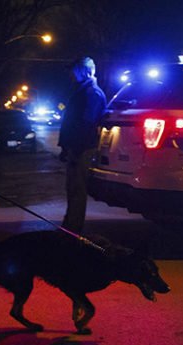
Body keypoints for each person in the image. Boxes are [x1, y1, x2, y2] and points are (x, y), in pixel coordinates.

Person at [57, 57, 106, 233]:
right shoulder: (82, 91)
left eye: (73, 70)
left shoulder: (91, 93)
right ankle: (69, 225)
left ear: (84, 71)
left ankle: (73, 229)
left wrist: (74, 149)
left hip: (82, 148)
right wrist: (64, 146)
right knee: (72, 189)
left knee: (77, 190)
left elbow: (86, 123)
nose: (70, 74)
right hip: (76, 147)